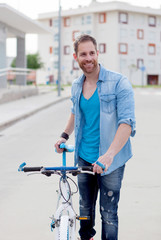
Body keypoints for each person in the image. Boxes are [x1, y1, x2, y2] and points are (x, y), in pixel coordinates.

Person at [55, 34, 136, 240]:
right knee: (85, 211)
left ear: (98, 53)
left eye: (92, 53)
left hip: (111, 161)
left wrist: (108, 156)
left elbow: (127, 123)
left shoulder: (119, 83)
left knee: (108, 214)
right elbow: (75, 112)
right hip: (83, 156)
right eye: (83, 54)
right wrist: (64, 135)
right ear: (76, 57)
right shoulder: (76, 85)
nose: (88, 58)